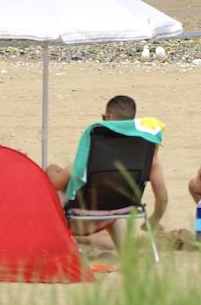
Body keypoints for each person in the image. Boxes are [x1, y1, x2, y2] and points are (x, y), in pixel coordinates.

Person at [46, 94, 168, 250]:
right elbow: (163, 198)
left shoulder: (95, 151)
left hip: (80, 215)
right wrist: (154, 219)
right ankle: (125, 251)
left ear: (109, 117)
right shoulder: (147, 157)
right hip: (120, 209)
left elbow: (55, 183)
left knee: (50, 191)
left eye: (104, 117)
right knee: (113, 201)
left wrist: (50, 169)